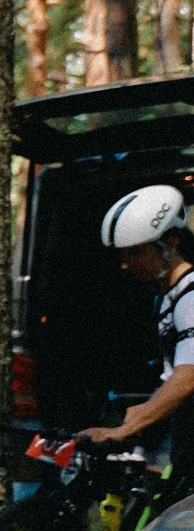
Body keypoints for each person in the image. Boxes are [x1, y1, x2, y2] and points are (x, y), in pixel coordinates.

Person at [78, 185, 194, 481]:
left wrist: (124, 430)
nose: (127, 263)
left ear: (170, 244)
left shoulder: (191, 297)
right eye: (122, 254)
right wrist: (145, 410)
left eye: (136, 252)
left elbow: (188, 377)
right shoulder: (167, 297)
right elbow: (173, 374)